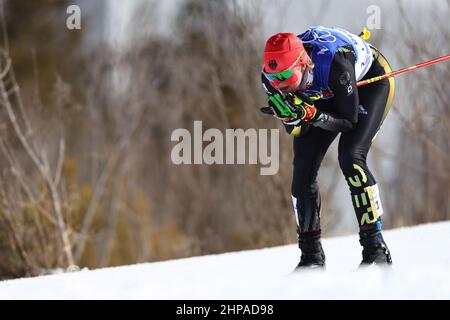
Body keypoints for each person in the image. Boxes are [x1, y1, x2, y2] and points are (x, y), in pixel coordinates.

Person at [260, 26, 395, 270]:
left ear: (302, 63)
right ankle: (310, 257)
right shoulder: (271, 78)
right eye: (273, 78)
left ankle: (375, 249)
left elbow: (348, 120)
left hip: (366, 84)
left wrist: (310, 113)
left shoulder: (335, 64)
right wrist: (295, 118)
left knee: (350, 156)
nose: (278, 85)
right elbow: (296, 130)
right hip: (322, 94)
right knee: (303, 168)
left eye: (284, 77)